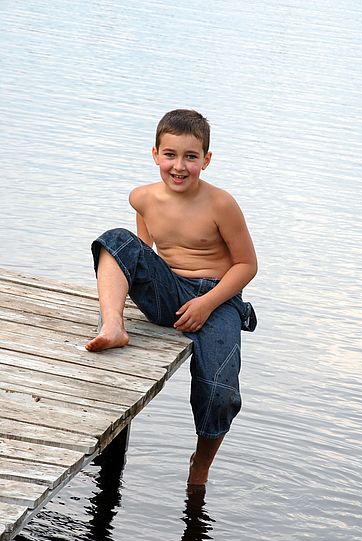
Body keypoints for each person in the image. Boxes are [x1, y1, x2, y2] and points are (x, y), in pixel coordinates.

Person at [85, 109, 258, 487]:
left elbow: (247, 265)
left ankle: (201, 464)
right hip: (169, 291)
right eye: (170, 155)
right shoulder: (142, 198)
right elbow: (139, 255)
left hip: (217, 298)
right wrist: (126, 291)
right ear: (155, 153)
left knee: (220, 389)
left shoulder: (221, 204)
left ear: (206, 160)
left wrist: (207, 303)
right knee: (116, 240)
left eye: (190, 157)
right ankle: (113, 325)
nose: (179, 166)